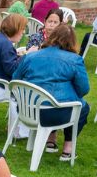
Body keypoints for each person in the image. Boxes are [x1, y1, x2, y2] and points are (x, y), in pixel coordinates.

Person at [13, 23, 91, 161]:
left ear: (51, 37)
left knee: (58, 101)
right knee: (82, 107)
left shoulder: (30, 57)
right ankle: (68, 147)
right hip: (55, 114)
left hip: (27, 110)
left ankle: (51, 140)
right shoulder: (75, 60)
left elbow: (15, 80)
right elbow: (83, 89)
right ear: (72, 41)